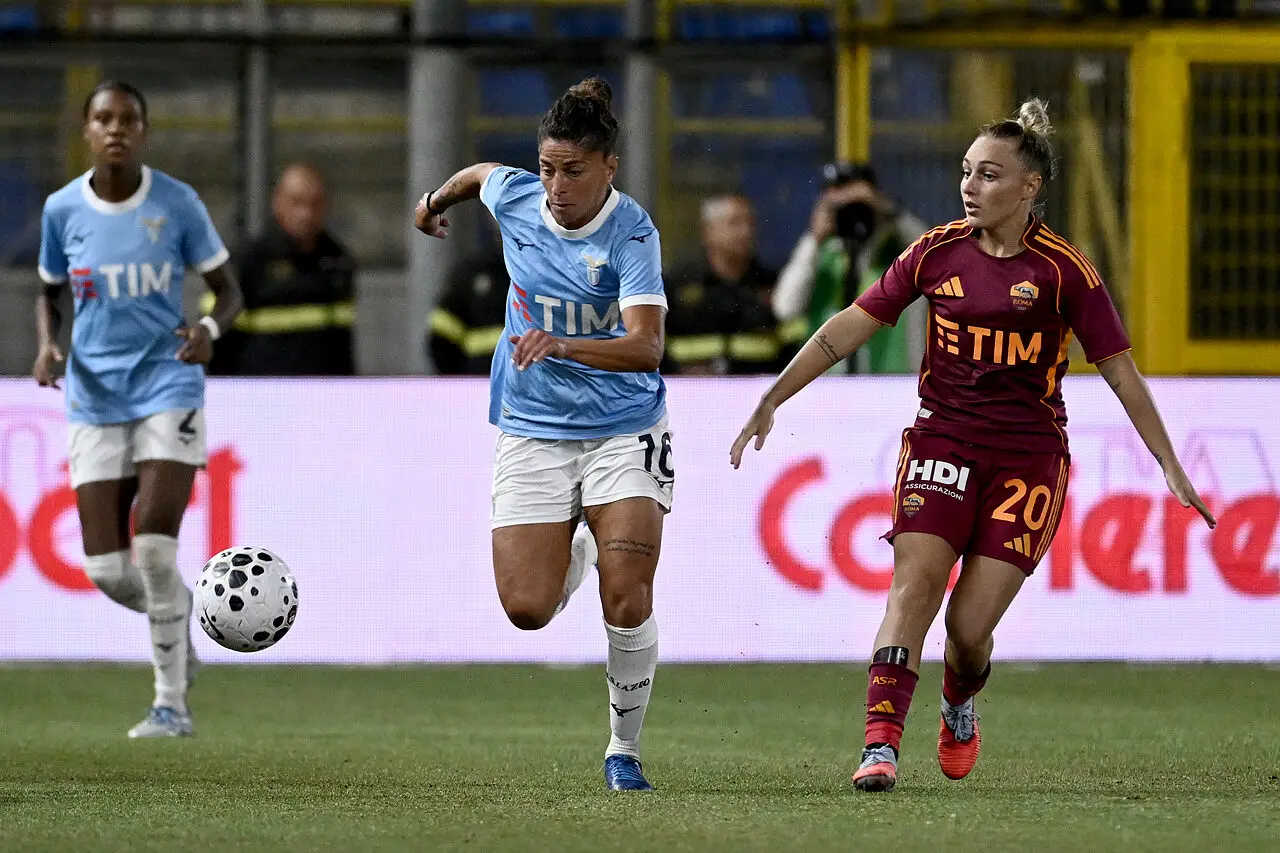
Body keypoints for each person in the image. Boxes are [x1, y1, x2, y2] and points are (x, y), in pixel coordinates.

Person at [730, 99, 1215, 792]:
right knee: (914, 584)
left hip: (1027, 460)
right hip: (942, 440)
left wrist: (1169, 460)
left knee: (966, 629)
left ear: (1028, 188)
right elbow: (847, 325)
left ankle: (959, 699)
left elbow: (1119, 370)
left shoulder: (1064, 271)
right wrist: (773, 396)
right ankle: (880, 744)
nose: (969, 185)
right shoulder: (935, 252)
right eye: (966, 171)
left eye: (988, 174)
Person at [413, 78, 670, 791]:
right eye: (548, 167)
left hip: (624, 425)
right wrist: (434, 202)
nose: (556, 186)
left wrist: (562, 344)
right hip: (533, 426)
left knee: (628, 593)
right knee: (526, 609)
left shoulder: (633, 233)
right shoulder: (518, 195)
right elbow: (477, 178)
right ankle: (576, 550)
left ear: (609, 167)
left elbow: (647, 347)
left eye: (574, 171)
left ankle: (624, 748)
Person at [33, 81, 244, 738]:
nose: (116, 128)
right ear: (86, 130)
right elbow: (48, 291)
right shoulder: (62, 210)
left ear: (144, 130)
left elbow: (228, 291)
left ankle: (170, 703)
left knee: (153, 550)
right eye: (103, 118)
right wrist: (48, 345)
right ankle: (180, 615)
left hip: (166, 383)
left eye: (128, 118)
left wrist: (209, 331)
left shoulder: (177, 204)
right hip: (94, 393)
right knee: (106, 568)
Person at [773, 163, 927, 374]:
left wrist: (888, 210)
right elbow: (785, 308)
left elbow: (937, 252)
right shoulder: (820, 256)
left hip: (892, 386)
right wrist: (813, 238)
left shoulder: (901, 254)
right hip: (830, 389)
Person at [207, 164, 356, 376]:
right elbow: (218, 338)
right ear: (277, 202)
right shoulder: (250, 260)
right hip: (261, 394)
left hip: (323, 395)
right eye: (296, 203)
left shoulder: (338, 260)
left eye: (315, 203)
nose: (306, 214)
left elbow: (342, 341)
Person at [664, 194, 786, 375]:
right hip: (688, 394)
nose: (746, 232)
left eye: (750, 224)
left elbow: (791, 340)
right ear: (708, 231)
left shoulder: (771, 283)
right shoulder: (677, 285)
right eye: (735, 223)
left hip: (759, 393)